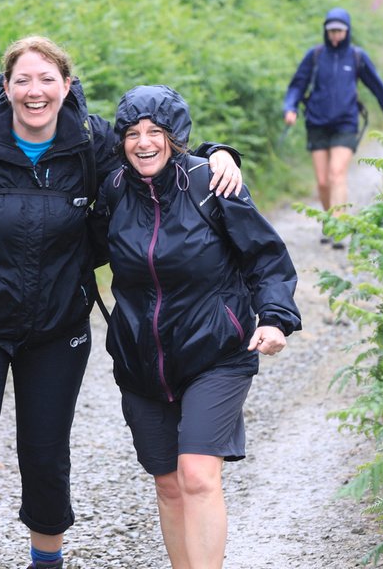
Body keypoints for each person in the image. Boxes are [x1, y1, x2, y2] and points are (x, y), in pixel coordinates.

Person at [0, 36, 242, 569]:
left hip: (58, 325)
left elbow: (154, 151)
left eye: (47, 79)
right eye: (23, 80)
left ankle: (46, 561)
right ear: (6, 87)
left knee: (45, 452)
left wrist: (220, 154)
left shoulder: (90, 141)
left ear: (66, 85)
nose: (35, 91)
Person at [91, 84, 301, 569]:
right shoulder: (114, 190)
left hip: (217, 353)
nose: (144, 143)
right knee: (168, 483)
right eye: (133, 133)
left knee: (198, 476)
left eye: (156, 132)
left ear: (175, 137)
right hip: (142, 359)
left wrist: (275, 318)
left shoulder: (212, 183)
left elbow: (266, 258)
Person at [282, 7, 383, 247]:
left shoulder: (357, 57)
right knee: (322, 181)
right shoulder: (315, 55)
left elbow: (379, 89)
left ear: (347, 31)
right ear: (325, 31)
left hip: (345, 123)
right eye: (331, 31)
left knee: (336, 173)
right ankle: (330, 219)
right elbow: (297, 84)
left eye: (340, 31)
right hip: (316, 123)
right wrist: (290, 108)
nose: (335, 35)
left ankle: (338, 227)